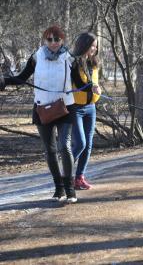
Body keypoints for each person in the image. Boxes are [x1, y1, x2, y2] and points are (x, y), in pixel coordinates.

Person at [0, 25, 77, 203]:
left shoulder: (69, 58)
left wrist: (91, 86)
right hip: (43, 108)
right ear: (45, 40)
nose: (53, 43)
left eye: (56, 39)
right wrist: (4, 81)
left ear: (62, 40)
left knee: (64, 146)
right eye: (49, 39)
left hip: (65, 107)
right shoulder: (37, 57)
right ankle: (59, 189)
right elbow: (22, 77)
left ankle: (70, 189)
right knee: (50, 151)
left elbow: (81, 80)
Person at [70, 32, 101, 190]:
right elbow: (78, 81)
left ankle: (79, 178)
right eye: (92, 45)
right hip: (76, 108)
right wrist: (92, 87)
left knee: (88, 144)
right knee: (80, 143)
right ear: (84, 45)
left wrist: (97, 89)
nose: (94, 49)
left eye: (96, 46)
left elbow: (95, 81)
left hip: (91, 108)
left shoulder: (94, 63)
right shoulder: (74, 62)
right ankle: (65, 173)